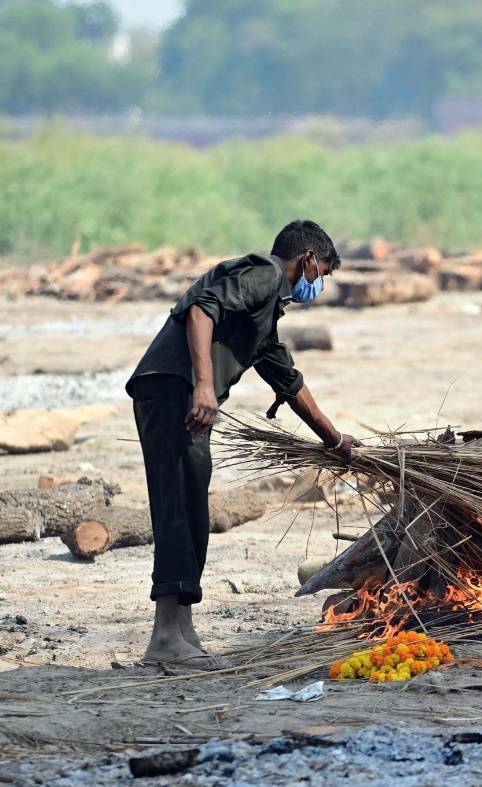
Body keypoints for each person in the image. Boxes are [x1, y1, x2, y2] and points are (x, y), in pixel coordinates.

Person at [126, 219, 359, 669]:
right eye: (323, 273)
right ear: (307, 259)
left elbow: (290, 384)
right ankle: (163, 640)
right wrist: (204, 387)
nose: (320, 284)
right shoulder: (265, 273)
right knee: (178, 507)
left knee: (193, 509)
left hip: (182, 395)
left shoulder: (265, 315)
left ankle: (181, 630)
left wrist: (335, 441)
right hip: (174, 390)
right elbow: (200, 309)